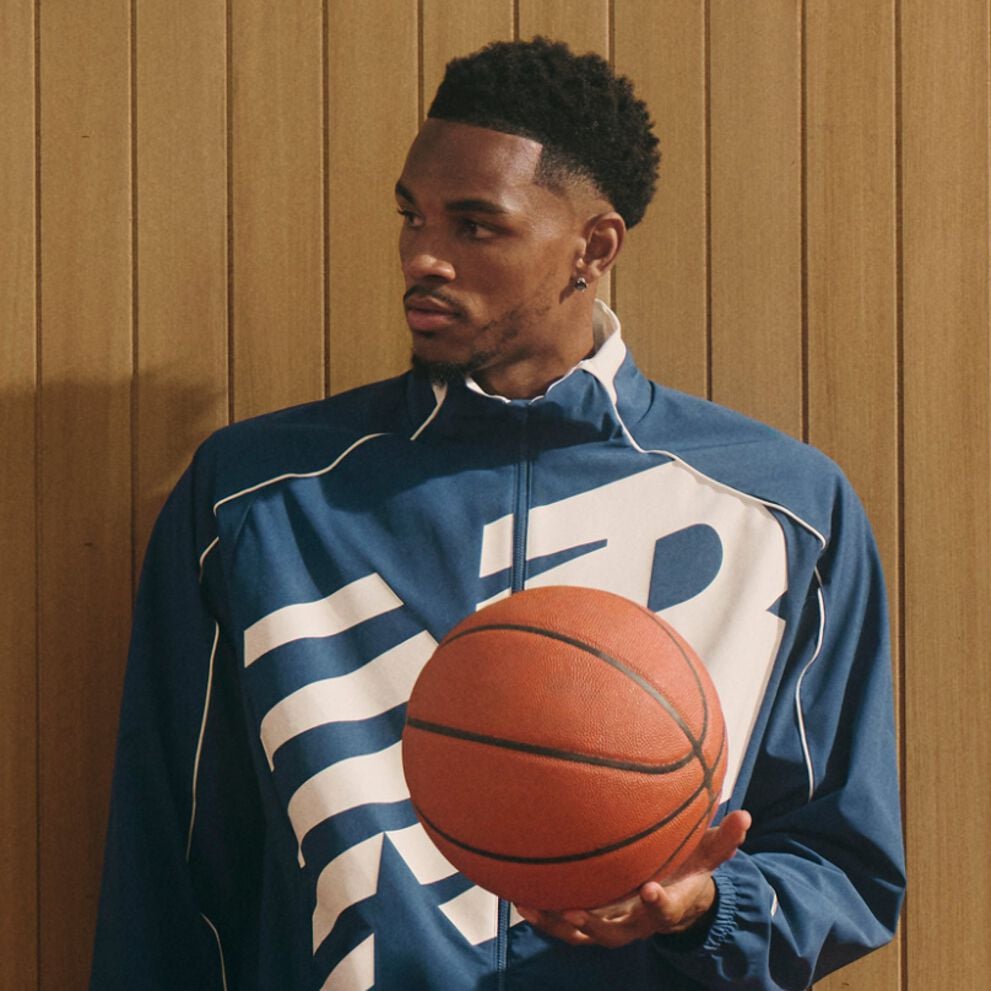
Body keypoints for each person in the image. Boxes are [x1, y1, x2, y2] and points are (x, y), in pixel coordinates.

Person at [91, 37, 905, 991]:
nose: (421, 255)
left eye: (476, 225)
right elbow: (172, 865)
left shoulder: (781, 511)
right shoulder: (260, 497)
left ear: (592, 249)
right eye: (411, 214)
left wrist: (701, 907)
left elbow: (843, 865)